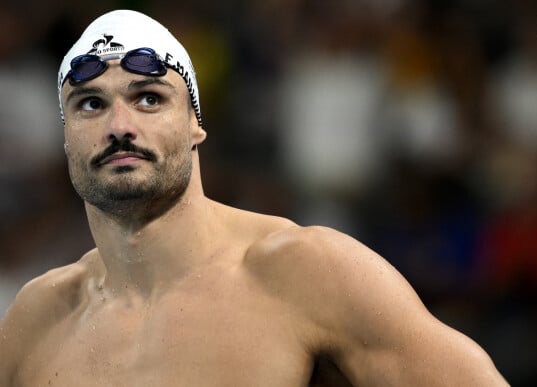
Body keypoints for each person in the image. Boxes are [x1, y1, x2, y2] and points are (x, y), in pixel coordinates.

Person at [0, 9, 509, 387]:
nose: (119, 126)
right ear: (65, 138)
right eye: (91, 104)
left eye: (149, 98)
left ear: (196, 125)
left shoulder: (305, 273)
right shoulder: (36, 318)